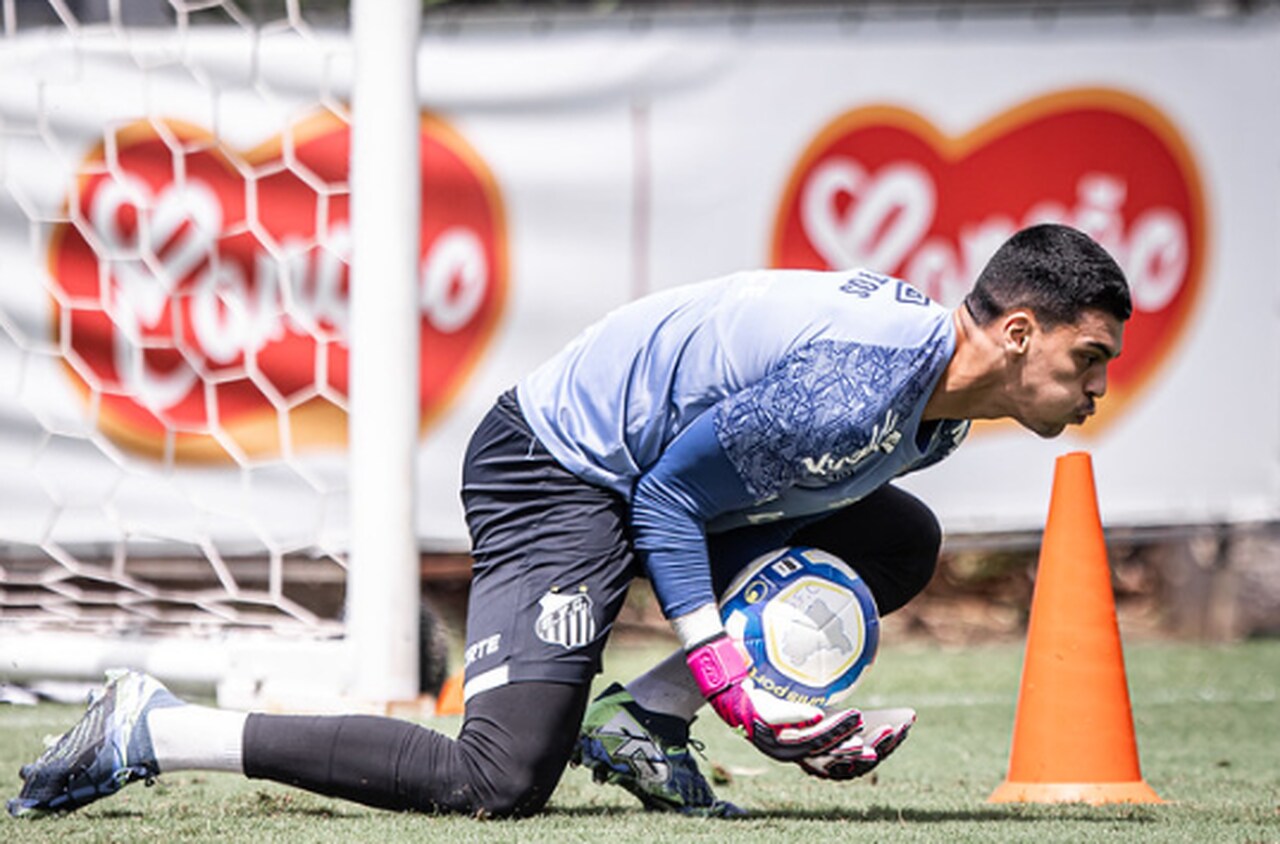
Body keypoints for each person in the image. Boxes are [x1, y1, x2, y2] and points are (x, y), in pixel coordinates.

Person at [8, 222, 1130, 820]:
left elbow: (717, 488)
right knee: (494, 778)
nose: (1093, 391)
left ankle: (641, 722)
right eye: (1088, 359)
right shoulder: (863, 380)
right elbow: (665, 499)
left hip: (650, 473)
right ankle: (154, 727)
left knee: (895, 543)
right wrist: (736, 683)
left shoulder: (941, 409)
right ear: (1019, 331)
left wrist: (727, 665)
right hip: (555, 466)